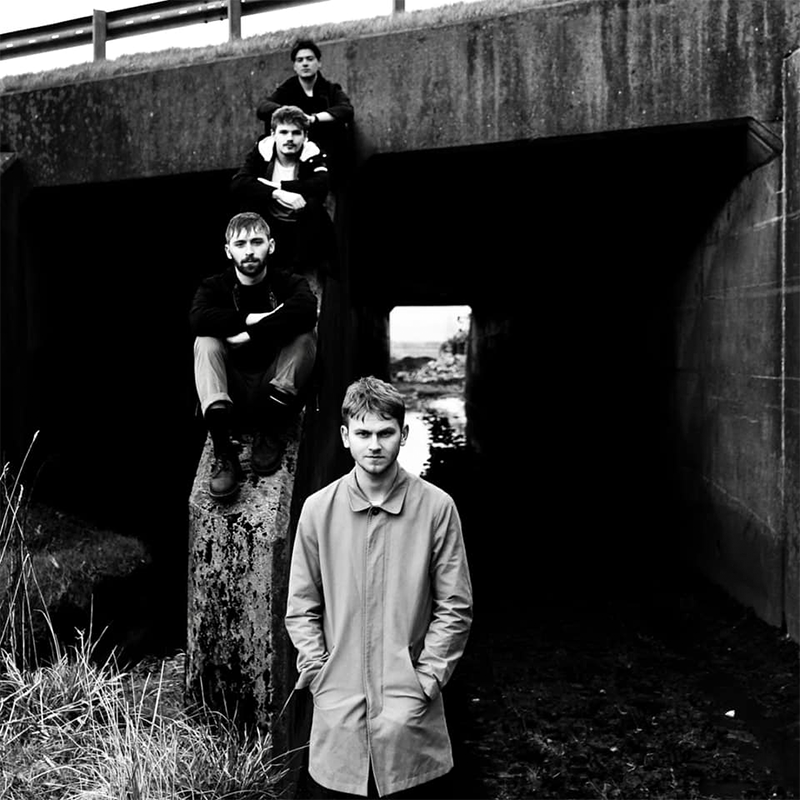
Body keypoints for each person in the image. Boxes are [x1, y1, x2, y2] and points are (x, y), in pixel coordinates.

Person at [285, 376, 473, 798]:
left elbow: (455, 606)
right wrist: (318, 673)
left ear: (403, 435)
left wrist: (428, 678)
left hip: (410, 715)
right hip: (339, 712)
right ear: (345, 436)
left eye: (386, 433)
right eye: (364, 433)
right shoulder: (318, 511)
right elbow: (301, 605)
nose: (375, 444)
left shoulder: (436, 508)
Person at [190, 212, 318, 500]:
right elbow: (198, 319)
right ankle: (224, 453)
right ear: (228, 250)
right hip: (231, 395)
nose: (249, 251)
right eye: (240, 244)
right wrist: (252, 317)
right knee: (206, 341)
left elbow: (306, 310)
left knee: (305, 335)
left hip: (274, 392)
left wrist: (252, 333)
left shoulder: (288, 282)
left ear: (270, 246)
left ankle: (269, 431)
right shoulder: (214, 287)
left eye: (256, 242)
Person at [231, 104, 336, 276]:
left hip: (300, 227)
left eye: (296, 133)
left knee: (313, 205)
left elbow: (321, 184)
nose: (290, 139)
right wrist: (278, 193)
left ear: (305, 136)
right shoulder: (262, 151)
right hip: (269, 223)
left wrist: (279, 186)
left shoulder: (312, 153)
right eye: (284, 132)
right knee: (249, 201)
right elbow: (238, 183)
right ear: (273, 134)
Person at [257, 39, 354, 190]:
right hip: (296, 153)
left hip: (328, 153)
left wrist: (314, 119)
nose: (305, 64)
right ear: (294, 66)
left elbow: (346, 110)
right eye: (300, 60)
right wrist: (291, 115)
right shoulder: (288, 88)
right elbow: (263, 108)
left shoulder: (330, 89)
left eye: (310, 59)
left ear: (319, 63)